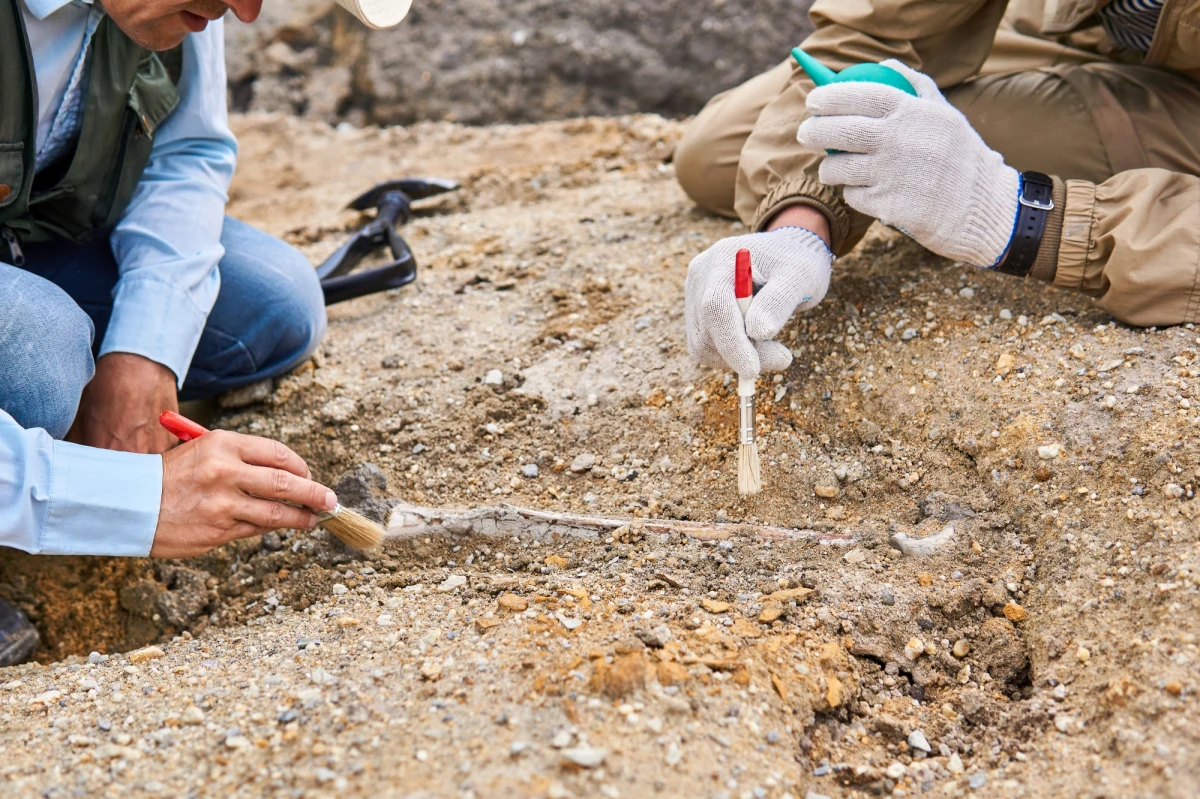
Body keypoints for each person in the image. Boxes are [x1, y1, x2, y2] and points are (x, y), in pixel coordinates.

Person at [0, 0, 414, 666]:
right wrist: (134, 501)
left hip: (34, 234)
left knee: (276, 303)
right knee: (40, 358)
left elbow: (188, 153)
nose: (245, 14)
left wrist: (143, 351)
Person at [678, 0, 1200, 384]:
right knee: (715, 156)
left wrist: (1014, 215)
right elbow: (871, 33)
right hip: (1073, 29)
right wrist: (799, 227)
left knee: (938, 134)